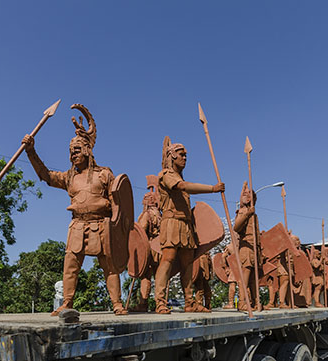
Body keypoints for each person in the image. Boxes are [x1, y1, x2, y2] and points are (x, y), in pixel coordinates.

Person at [23, 104, 128, 316]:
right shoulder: (69, 177)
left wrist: (116, 227)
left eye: (77, 150)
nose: (73, 155)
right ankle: (67, 303)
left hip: (101, 225)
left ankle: (117, 303)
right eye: (71, 152)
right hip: (77, 225)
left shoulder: (104, 174)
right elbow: (46, 176)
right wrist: (31, 151)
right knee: (70, 265)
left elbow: (118, 204)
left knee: (109, 265)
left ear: (88, 150)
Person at [154, 139, 224, 314]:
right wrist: (213, 189)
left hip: (185, 224)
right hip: (171, 222)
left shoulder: (178, 176)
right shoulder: (166, 175)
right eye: (181, 154)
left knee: (188, 264)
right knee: (168, 259)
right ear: (172, 156)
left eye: (186, 154)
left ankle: (189, 302)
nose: (185, 157)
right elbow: (183, 187)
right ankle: (160, 302)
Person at [233, 183, 262, 311]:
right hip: (246, 246)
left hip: (254, 247)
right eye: (244, 194)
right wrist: (246, 214)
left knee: (253, 278)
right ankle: (242, 302)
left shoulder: (254, 214)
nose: (246, 196)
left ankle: (255, 301)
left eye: (248, 194)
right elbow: (236, 227)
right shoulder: (244, 211)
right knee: (245, 277)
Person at [134, 185, 161, 312]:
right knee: (159, 276)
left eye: (145, 199)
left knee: (145, 277)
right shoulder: (161, 215)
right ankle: (160, 303)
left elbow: (141, 232)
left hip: (148, 249)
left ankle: (143, 303)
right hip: (159, 250)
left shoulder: (147, 214)